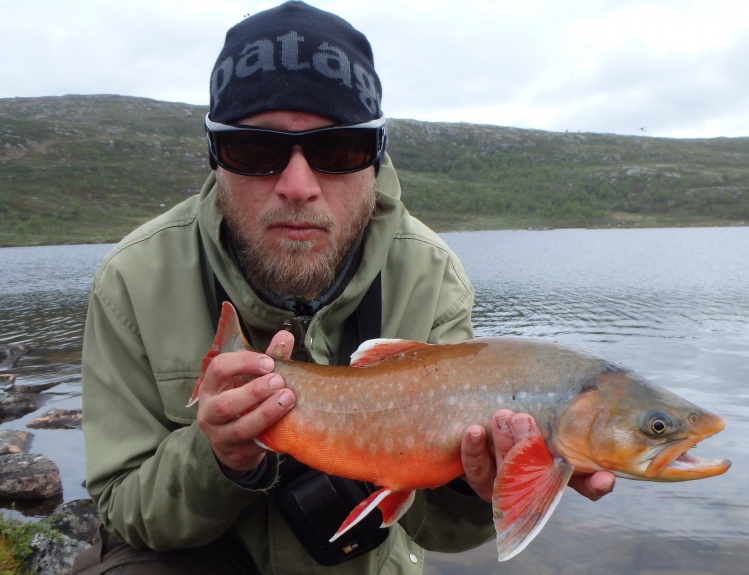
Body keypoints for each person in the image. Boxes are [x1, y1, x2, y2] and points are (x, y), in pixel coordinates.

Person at [72, 2, 614, 574]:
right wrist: (219, 457)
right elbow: (124, 510)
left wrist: (474, 486)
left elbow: (443, 531)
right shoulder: (132, 279)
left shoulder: (430, 277)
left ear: (374, 161)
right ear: (216, 159)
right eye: (256, 150)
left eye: (337, 151)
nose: (298, 185)